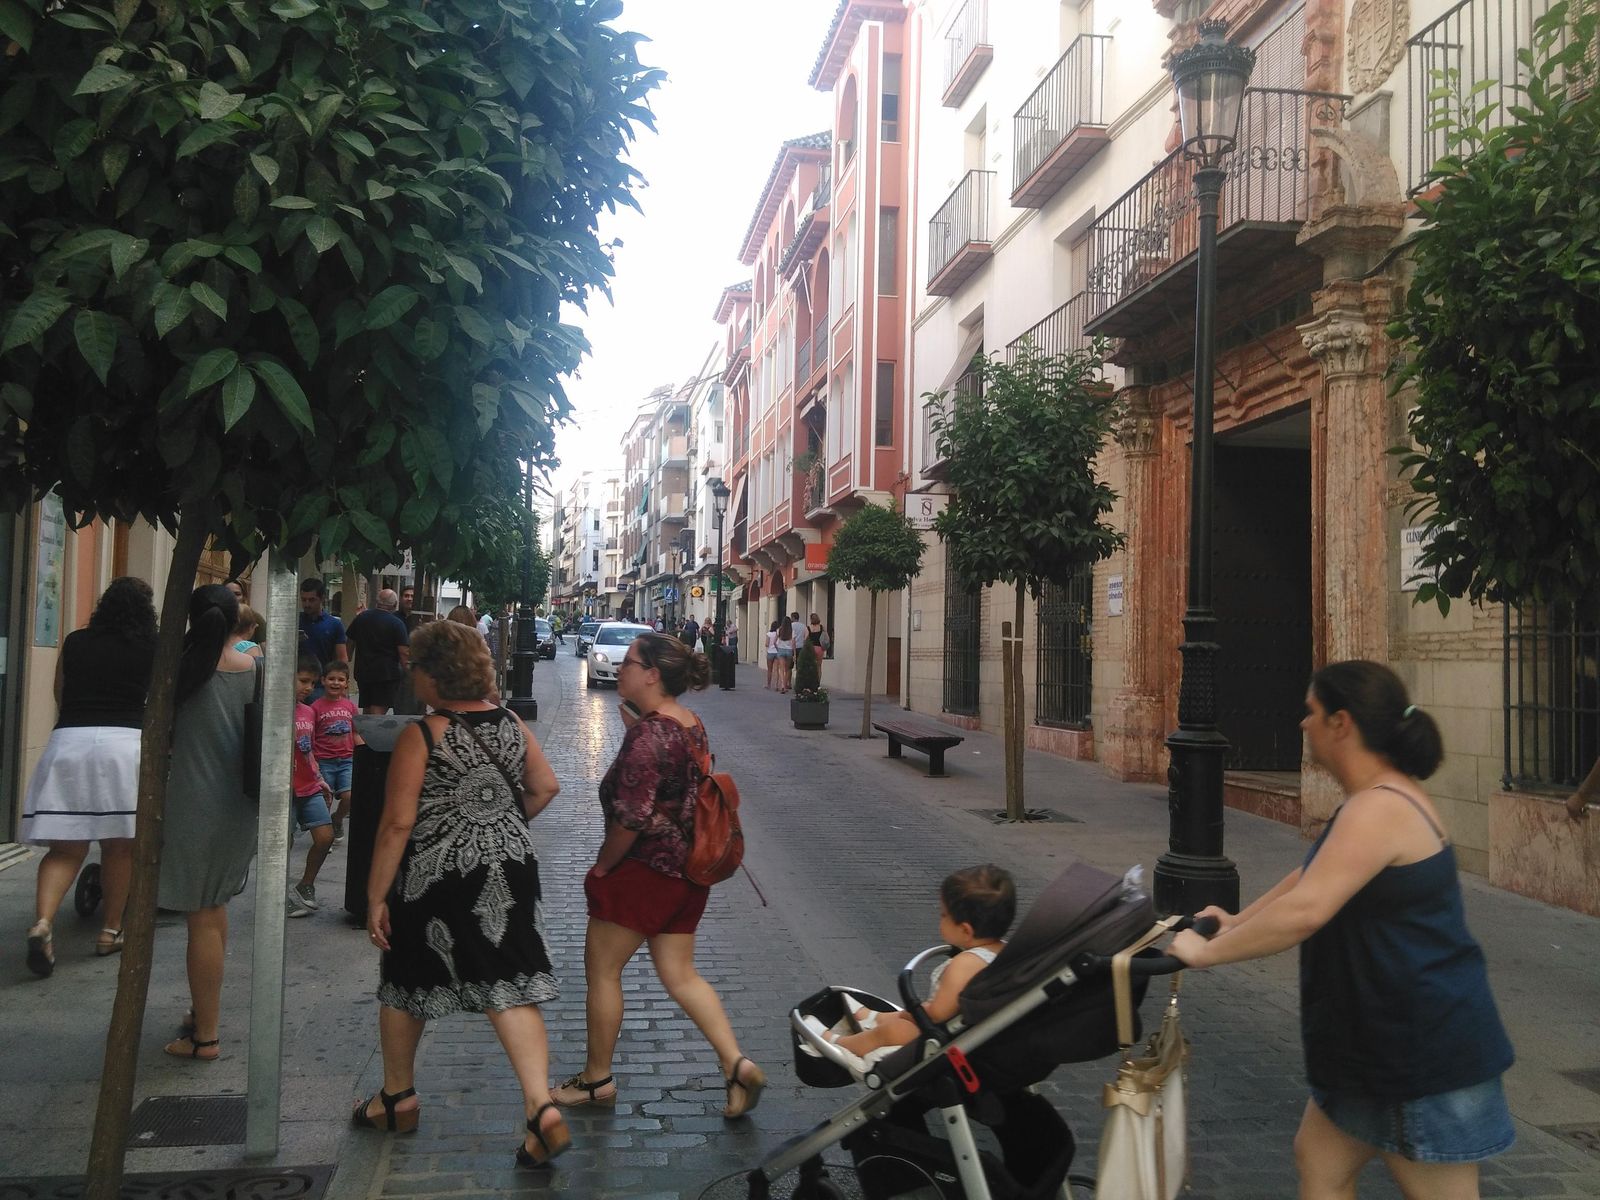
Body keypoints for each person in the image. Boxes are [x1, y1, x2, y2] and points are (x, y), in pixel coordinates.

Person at [1169, 660, 1515, 1199]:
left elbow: (1307, 910)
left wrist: (1207, 954)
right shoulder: (1375, 799)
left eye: (1312, 712)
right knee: (1320, 1163)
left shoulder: (1379, 808)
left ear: (1341, 723)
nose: (1303, 723)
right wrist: (1238, 921)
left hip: (1419, 1048)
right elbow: (1309, 878)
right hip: (1374, 1043)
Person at [356, 621, 567, 1168]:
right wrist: (498, 825)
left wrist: (376, 896)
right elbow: (545, 786)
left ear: (433, 674)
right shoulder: (510, 722)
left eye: (416, 668)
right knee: (510, 979)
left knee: (406, 971)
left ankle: (398, 1097)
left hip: (438, 875)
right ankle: (540, 1106)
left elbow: (396, 824)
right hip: (509, 866)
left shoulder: (423, 734)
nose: (411, 676)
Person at [550, 633, 765, 1119]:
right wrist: (637, 730)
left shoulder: (650, 736)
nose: (620, 668)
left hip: (644, 871)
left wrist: (603, 866)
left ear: (651, 675)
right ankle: (736, 1065)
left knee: (603, 971)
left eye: (629, 663)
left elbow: (631, 817)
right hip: (687, 874)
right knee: (681, 975)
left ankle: (596, 1079)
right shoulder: (688, 724)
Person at [22, 577, 158, 974]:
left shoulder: (76, 642)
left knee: (64, 850)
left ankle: (43, 922)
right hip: (125, 745)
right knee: (120, 848)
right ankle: (110, 930)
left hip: (70, 742)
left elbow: (60, 691)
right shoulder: (152, 646)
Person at [159, 585, 258, 1060]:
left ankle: (207, 1035)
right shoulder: (255, 669)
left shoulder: (178, 670)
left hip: (191, 802)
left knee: (201, 915)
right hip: (239, 805)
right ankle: (203, 1014)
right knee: (214, 910)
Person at [830, 865, 1014, 1058]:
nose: (940, 918)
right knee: (904, 1018)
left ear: (965, 930)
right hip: (962, 1030)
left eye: (944, 915)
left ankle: (841, 1043)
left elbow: (936, 1015)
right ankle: (875, 1017)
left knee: (896, 1030)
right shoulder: (1005, 951)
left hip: (938, 1037)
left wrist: (911, 1012)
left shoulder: (964, 964)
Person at [288, 655, 337, 918]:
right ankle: (278, 895)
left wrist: (320, 779)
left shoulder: (309, 712)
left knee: (325, 837)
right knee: (282, 844)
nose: (308, 688)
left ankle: (306, 885)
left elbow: (310, 751)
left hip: (309, 786)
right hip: (285, 791)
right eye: (303, 681)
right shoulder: (272, 711)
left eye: (312, 683)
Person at [313, 660, 358, 842]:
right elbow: (311, 735)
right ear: (323, 680)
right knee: (325, 799)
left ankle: (337, 819)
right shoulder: (315, 707)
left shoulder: (350, 706)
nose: (336, 683)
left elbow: (355, 731)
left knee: (350, 796)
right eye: (331, 679)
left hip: (347, 759)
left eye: (340, 679)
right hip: (324, 761)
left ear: (347, 683)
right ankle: (325, 835)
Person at [346, 588, 411, 715]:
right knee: (378, 710)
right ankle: (371, 728)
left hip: (363, 672)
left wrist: (347, 660)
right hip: (386, 674)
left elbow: (350, 642)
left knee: (367, 708)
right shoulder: (396, 624)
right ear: (395, 604)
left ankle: (365, 728)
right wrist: (409, 672)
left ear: (377, 602)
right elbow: (403, 652)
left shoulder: (361, 618)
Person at [298, 577, 349, 671]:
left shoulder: (334, 625)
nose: (307, 604)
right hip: (298, 677)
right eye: (304, 600)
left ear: (322, 598)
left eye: (312, 600)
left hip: (324, 677)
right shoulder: (295, 622)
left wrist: (339, 676)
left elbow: (342, 658)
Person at [773, 617, 795, 694]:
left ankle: (782, 685)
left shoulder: (779, 630)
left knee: (781, 669)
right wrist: (794, 653)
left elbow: (774, 642)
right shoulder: (792, 631)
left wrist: (777, 648)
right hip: (789, 650)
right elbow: (793, 643)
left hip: (781, 650)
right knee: (787, 669)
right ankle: (785, 685)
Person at [764, 620, 779, 690]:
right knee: (776, 670)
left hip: (770, 652)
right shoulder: (778, 634)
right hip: (777, 652)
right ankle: (776, 685)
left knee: (769, 669)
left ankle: (768, 685)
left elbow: (766, 644)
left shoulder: (769, 634)